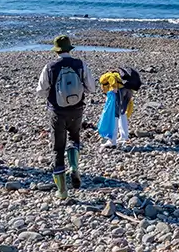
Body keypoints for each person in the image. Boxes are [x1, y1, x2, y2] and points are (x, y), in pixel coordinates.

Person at [36, 35, 96, 199]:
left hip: (57, 111)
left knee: (57, 148)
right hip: (77, 109)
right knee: (74, 138)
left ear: (56, 51)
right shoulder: (80, 64)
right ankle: (74, 167)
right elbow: (91, 88)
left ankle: (62, 191)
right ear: (69, 49)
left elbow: (41, 91)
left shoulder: (50, 67)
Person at [98, 67, 141, 148]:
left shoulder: (107, 75)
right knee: (122, 113)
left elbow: (111, 78)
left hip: (118, 92)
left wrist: (114, 87)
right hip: (128, 91)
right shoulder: (122, 77)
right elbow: (130, 105)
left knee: (114, 115)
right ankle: (124, 137)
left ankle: (112, 140)